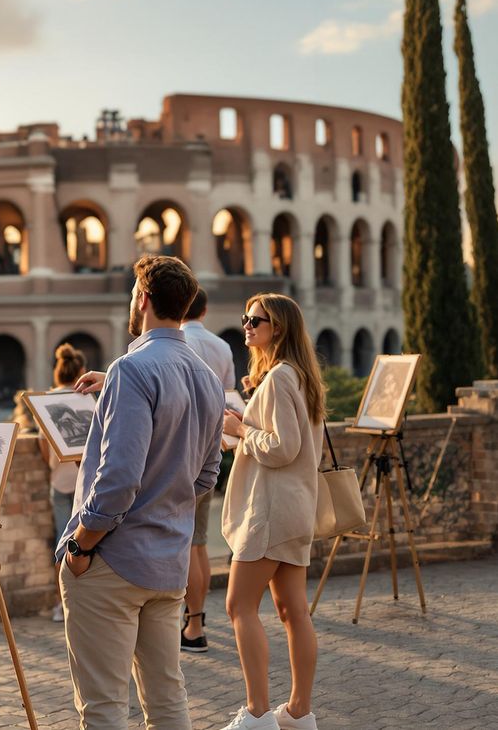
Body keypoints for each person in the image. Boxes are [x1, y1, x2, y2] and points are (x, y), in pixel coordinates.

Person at [57, 255, 223, 730]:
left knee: (105, 705)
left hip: (112, 557)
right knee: (167, 696)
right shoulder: (208, 379)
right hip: (168, 559)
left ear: (143, 299)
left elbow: (119, 479)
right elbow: (207, 476)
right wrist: (166, 504)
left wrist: (81, 544)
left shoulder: (131, 369)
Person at [218, 294, 325, 730]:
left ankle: (258, 714)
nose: (246, 326)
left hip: (271, 511)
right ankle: (299, 713)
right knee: (293, 611)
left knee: (238, 606)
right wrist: (251, 413)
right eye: (245, 318)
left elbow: (282, 448)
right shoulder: (298, 376)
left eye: (254, 320)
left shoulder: (280, 378)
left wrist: (240, 427)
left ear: (276, 327)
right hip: (296, 508)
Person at [179, 287, 237, 653]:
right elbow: (228, 400)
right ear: (205, 310)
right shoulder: (222, 347)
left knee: (184, 544)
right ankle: (195, 620)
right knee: (198, 542)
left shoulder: (174, 341)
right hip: (211, 451)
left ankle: (189, 621)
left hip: (180, 452)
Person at [36, 342, 87, 622]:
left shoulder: (47, 401)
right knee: (88, 544)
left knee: (61, 544)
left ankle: (61, 604)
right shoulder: (86, 399)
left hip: (58, 481)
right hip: (85, 482)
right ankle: (85, 603)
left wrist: (54, 468)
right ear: (80, 370)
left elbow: (45, 448)